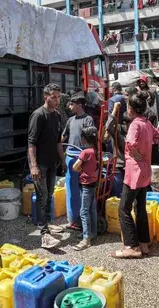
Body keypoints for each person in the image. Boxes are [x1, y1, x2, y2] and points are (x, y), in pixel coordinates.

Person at [111, 92, 158, 259]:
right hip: (145, 171)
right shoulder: (147, 123)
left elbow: (130, 143)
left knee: (124, 208)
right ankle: (144, 243)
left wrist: (136, 153)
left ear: (130, 109)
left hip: (134, 171)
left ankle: (132, 246)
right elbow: (157, 137)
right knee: (140, 207)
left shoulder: (135, 125)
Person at [28, 83, 66, 249]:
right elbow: (31, 143)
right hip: (40, 164)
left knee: (49, 195)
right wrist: (34, 165)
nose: (57, 100)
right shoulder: (38, 115)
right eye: (54, 97)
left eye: (59, 97)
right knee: (42, 197)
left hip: (52, 163)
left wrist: (63, 161)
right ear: (46, 97)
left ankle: (47, 224)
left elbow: (58, 141)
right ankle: (44, 234)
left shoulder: (57, 115)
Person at [61, 94, 95, 230]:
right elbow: (63, 136)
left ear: (80, 106)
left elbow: (91, 139)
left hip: (83, 158)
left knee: (83, 189)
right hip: (70, 157)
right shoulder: (70, 120)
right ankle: (73, 219)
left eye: (72, 104)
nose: (69, 106)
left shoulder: (88, 119)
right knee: (71, 189)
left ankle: (84, 219)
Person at [72, 126, 99, 251]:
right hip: (93, 183)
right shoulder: (95, 150)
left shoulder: (85, 152)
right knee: (92, 209)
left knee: (84, 211)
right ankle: (92, 233)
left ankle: (86, 239)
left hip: (86, 184)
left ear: (84, 138)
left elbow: (75, 167)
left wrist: (81, 169)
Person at [105, 103, 132, 197]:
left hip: (131, 167)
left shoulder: (136, 132)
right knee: (117, 194)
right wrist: (114, 110)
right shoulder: (118, 130)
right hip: (118, 166)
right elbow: (108, 126)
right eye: (130, 123)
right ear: (125, 123)